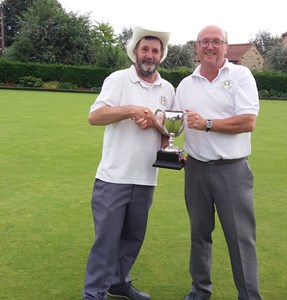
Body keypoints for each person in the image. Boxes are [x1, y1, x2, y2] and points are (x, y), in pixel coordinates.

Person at [82, 26, 174, 300]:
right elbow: (95, 116)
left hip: (146, 178)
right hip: (114, 177)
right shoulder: (118, 79)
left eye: (155, 50)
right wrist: (132, 110)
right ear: (135, 52)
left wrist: (156, 125)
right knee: (106, 242)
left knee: (133, 238)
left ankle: (118, 283)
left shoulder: (168, 89)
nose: (149, 54)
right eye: (144, 49)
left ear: (161, 55)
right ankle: (94, 293)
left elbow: (169, 132)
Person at [174, 25, 263, 300]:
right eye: (204, 42)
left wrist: (207, 124)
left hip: (232, 171)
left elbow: (248, 121)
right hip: (196, 169)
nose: (210, 46)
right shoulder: (186, 84)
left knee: (240, 240)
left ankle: (249, 296)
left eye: (216, 41)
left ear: (226, 46)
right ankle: (200, 291)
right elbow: (175, 123)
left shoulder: (241, 75)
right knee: (199, 234)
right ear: (196, 48)